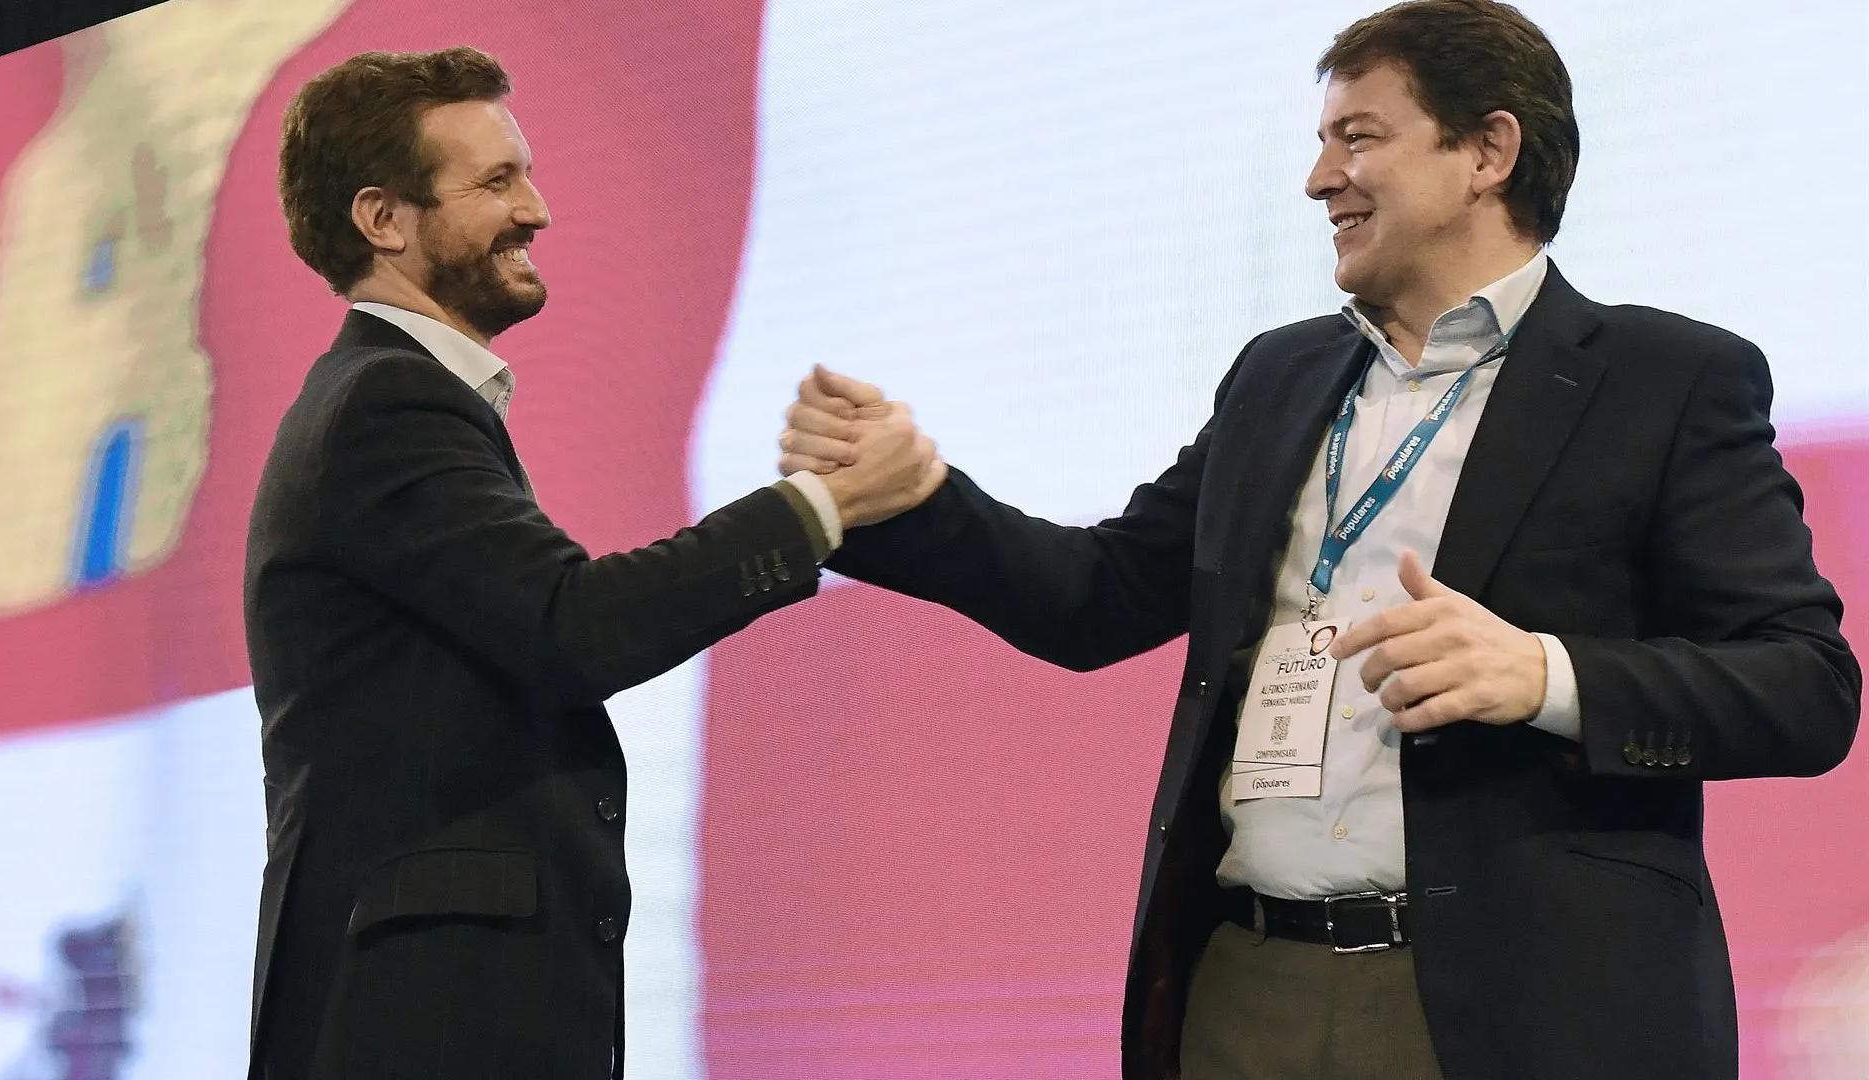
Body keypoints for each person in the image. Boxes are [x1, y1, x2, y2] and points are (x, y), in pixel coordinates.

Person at [776, 2, 1861, 1078]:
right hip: (1250, 985)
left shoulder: (1664, 380)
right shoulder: (1278, 378)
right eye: (1319, 144)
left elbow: (1805, 686)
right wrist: (909, 497)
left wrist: (1544, 673)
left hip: (1514, 1005)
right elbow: (1098, 596)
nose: (1318, 180)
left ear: (1488, 151)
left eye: (1360, 138)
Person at [244, 47, 942, 1080]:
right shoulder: (387, 405)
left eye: (525, 173)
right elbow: (575, 626)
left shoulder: (380, 401)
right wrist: (821, 509)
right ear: (383, 220)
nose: (537, 210)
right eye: (494, 182)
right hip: (427, 1025)